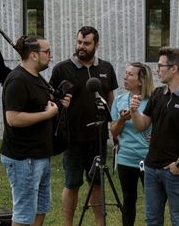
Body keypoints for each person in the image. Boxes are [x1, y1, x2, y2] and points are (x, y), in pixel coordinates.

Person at [130, 47, 179, 226]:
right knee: (152, 220)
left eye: (160, 66)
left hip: (177, 173)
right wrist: (134, 112)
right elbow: (142, 125)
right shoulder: (158, 94)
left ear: (174, 68)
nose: (157, 70)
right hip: (151, 169)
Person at [49, 26, 118, 226]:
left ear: (96, 44)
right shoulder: (62, 69)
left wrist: (113, 126)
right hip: (72, 138)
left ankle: (99, 223)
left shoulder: (106, 68)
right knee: (72, 184)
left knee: (97, 183)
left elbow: (111, 98)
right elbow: (52, 99)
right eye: (79, 42)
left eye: (86, 43)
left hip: (98, 137)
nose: (81, 47)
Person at [0, 36, 70, 226]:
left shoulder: (37, 78)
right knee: (23, 214)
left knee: (40, 208)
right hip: (23, 157)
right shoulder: (17, 80)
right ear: (33, 55)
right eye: (47, 52)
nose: (51, 55)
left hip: (40, 154)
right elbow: (13, 118)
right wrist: (47, 115)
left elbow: (42, 106)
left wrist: (58, 105)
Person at [110, 62, 154, 226]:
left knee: (153, 200)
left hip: (148, 159)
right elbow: (113, 131)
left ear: (141, 80)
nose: (125, 77)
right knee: (128, 199)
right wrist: (122, 119)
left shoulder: (153, 101)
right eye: (125, 73)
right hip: (125, 158)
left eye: (130, 74)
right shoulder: (119, 100)